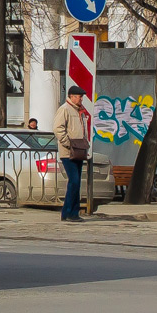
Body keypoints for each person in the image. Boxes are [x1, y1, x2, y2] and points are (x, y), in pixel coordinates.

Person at [53, 85, 89, 222]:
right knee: (74, 181)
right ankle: (68, 212)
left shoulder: (79, 111)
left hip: (78, 150)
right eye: (79, 97)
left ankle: (73, 212)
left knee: (77, 182)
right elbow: (58, 128)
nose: (81, 99)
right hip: (68, 152)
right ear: (72, 96)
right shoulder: (65, 109)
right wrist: (68, 143)